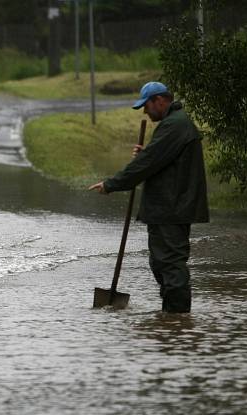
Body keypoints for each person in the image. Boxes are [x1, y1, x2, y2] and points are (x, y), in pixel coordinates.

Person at [88, 81, 209, 313]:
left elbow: (146, 165)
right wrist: (148, 153)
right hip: (168, 208)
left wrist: (111, 184)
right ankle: (172, 316)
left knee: (171, 265)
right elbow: (159, 160)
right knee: (160, 264)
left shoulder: (174, 126)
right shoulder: (174, 125)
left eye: (147, 105)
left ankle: (177, 321)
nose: (145, 111)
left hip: (171, 209)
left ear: (160, 101)